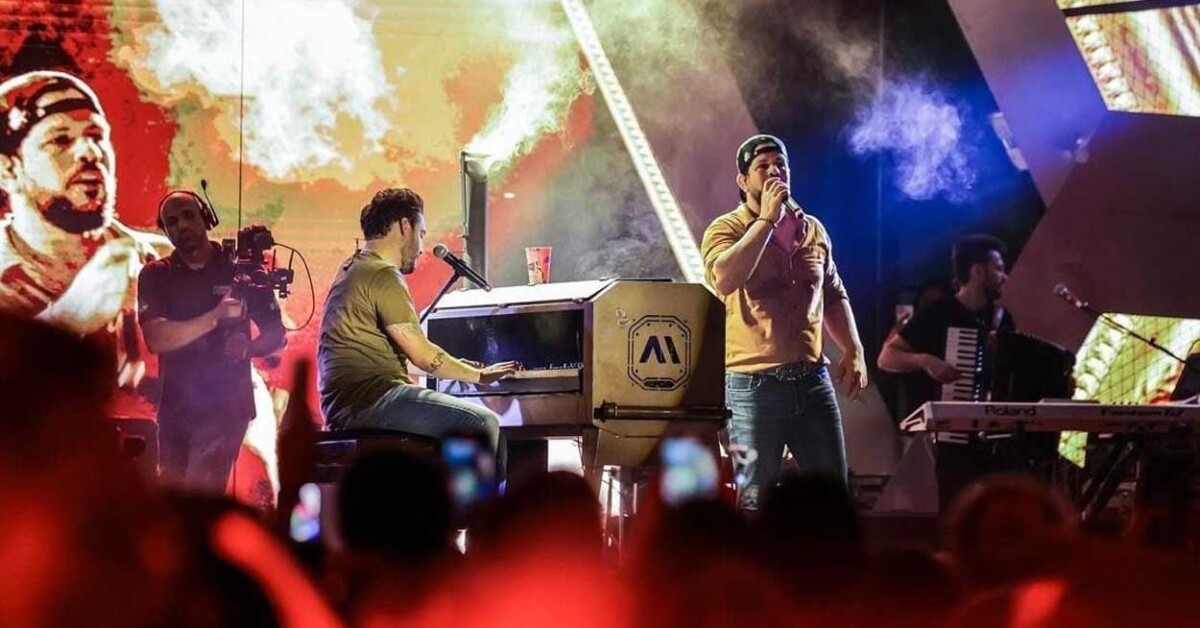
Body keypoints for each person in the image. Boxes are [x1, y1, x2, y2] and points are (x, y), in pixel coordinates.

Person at [700, 134, 868, 511]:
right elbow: (724, 279)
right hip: (753, 386)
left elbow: (833, 293)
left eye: (781, 165)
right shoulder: (726, 229)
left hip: (812, 381)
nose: (774, 171)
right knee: (755, 498)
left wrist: (854, 348)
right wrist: (766, 221)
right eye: (762, 167)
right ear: (743, 181)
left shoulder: (813, 230)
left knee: (832, 498)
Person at [317, 187, 519, 476]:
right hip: (371, 401)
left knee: (463, 433)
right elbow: (423, 355)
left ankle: (444, 500)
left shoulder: (352, 268)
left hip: (347, 404)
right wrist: (480, 375)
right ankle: (478, 507)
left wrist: (457, 366)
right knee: (482, 423)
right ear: (404, 226)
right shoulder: (383, 274)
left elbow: (382, 353)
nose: (422, 247)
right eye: (421, 233)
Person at [0, 70, 169, 390]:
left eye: (96, 134)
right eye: (60, 140)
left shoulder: (164, 262)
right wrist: (70, 317)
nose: (90, 152)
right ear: (7, 170)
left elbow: (239, 384)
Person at [137, 190, 286, 492]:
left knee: (198, 493)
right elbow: (156, 338)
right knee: (172, 500)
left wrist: (249, 349)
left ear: (206, 218)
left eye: (188, 215)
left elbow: (276, 334)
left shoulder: (240, 273)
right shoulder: (156, 275)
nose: (182, 226)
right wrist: (215, 317)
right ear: (165, 231)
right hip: (174, 409)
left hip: (226, 406)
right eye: (172, 222)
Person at [877, 234, 1015, 505]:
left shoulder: (1001, 319)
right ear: (977, 272)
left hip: (994, 442)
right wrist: (926, 360)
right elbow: (886, 357)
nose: (1004, 276)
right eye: (998, 268)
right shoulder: (938, 313)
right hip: (951, 440)